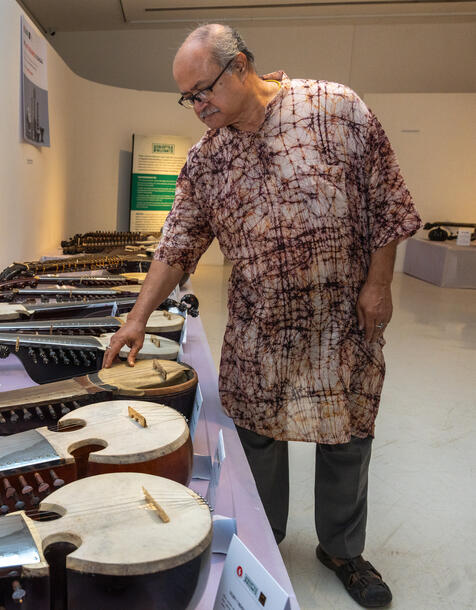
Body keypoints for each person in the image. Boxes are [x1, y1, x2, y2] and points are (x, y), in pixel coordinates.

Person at [102, 23, 420, 608]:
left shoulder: (334, 108)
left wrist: (379, 284)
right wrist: (137, 317)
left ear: (242, 66)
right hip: (260, 329)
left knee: (347, 433)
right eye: (187, 98)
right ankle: (261, 536)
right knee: (257, 436)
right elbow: (177, 245)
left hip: (340, 324)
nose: (197, 107)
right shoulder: (207, 159)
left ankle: (343, 550)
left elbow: (387, 199)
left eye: (204, 91)